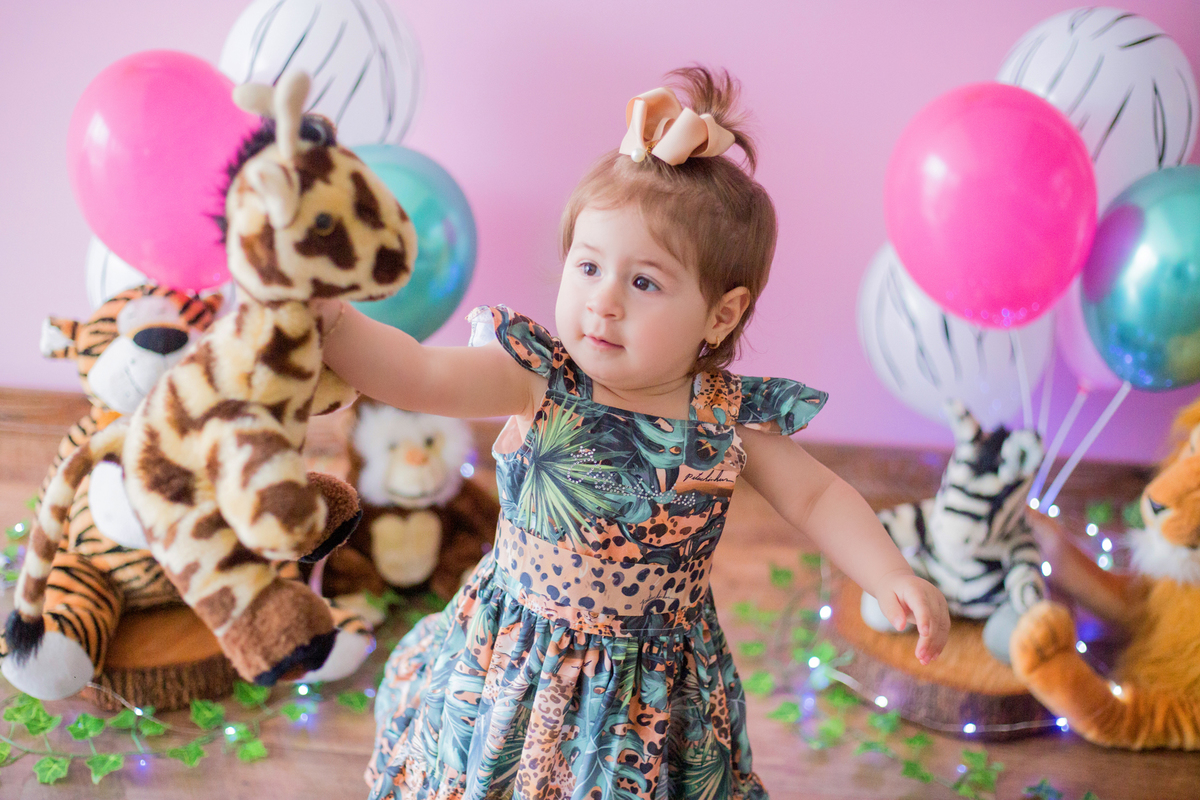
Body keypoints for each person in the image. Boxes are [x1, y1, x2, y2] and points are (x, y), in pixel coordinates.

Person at [316, 66, 950, 800]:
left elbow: (815, 498)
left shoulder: (724, 416)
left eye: (643, 282)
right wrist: (330, 317)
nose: (603, 302)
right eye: (587, 267)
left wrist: (889, 572)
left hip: (652, 693)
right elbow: (418, 375)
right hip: (519, 662)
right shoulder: (538, 377)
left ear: (721, 314)